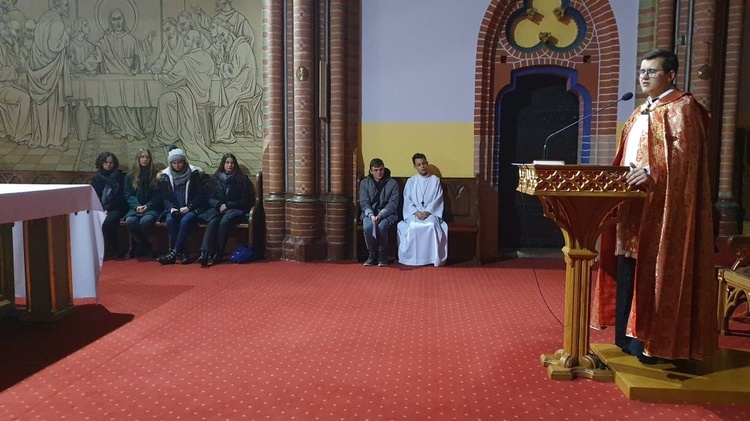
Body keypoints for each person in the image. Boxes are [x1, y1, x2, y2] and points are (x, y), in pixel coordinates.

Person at [592, 49, 716, 363]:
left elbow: (685, 160)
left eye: (652, 71)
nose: (644, 76)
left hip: (664, 209)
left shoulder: (682, 108)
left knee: (655, 271)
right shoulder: (639, 111)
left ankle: (654, 345)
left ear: (670, 74)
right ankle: (627, 338)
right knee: (630, 269)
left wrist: (650, 173)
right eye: (642, 71)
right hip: (633, 208)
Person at [26, 0, 72, 150]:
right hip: (52, 71)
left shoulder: (44, 18)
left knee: (42, 107)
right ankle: (54, 140)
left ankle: (40, 138)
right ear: (57, 5)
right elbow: (54, 47)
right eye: (65, 4)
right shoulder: (57, 23)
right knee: (53, 106)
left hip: (38, 67)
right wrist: (67, 37)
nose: (68, 7)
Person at [197, 153, 254, 267]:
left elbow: (245, 200)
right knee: (213, 221)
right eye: (227, 163)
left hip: (235, 210)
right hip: (218, 209)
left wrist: (228, 205)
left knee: (224, 222)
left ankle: (219, 252)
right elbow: (209, 197)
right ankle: (204, 253)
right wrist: (218, 205)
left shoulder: (242, 179)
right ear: (223, 164)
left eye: (232, 163)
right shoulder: (215, 179)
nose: (230, 165)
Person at [397, 153, 448, 267]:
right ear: (415, 167)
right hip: (415, 213)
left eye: (424, 163)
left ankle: (431, 258)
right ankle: (414, 259)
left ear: (427, 163)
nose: (422, 166)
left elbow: (438, 199)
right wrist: (416, 212)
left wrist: (428, 211)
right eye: (419, 164)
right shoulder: (411, 182)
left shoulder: (435, 180)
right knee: (413, 227)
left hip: (431, 213)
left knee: (431, 225)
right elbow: (407, 200)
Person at [158, 148, 204, 265]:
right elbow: (166, 197)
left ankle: (173, 253)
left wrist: (189, 207)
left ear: (184, 162)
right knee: (170, 220)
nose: (177, 165)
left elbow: (199, 195)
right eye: (174, 163)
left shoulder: (193, 173)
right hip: (175, 208)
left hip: (192, 208)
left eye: (179, 162)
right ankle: (182, 253)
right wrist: (171, 208)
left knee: (185, 220)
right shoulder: (165, 176)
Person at [358, 158, 400, 267]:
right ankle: (372, 254)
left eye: (381, 169)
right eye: (376, 170)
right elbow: (364, 202)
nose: (379, 172)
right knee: (368, 227)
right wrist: (371, 215)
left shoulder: (392, 183)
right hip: (369, 213)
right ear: (371, 171)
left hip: (387, 214)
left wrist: (381, 215)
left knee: (381, 226)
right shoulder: (364, 183)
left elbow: (392, 204)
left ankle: (382, 254)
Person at [123, 148, 162, 259]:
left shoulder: (155, 175)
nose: (145, 159)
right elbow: (128, 194)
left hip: (151, 207)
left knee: (146, 221)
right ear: (138, 159)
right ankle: (144, 244)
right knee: (130, 221)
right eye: (142, 157)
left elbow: (159, 194)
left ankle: (141, 244)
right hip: (136, 207)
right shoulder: (130, 176)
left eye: (147, 157)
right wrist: (136, 206)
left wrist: (148, 206)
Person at [91, 151, 127, 259]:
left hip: (117, 207)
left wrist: (108, 208)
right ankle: (98, 249)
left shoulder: (120, 177)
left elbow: (122, 196)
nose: (109, 165)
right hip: (101, 207)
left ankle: (114, 248)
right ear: (101, 163)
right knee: (93, 219)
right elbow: (94, 196)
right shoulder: (97, 179)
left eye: (111, 162)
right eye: (106, 162)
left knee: (109, 221)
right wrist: (101, 209)